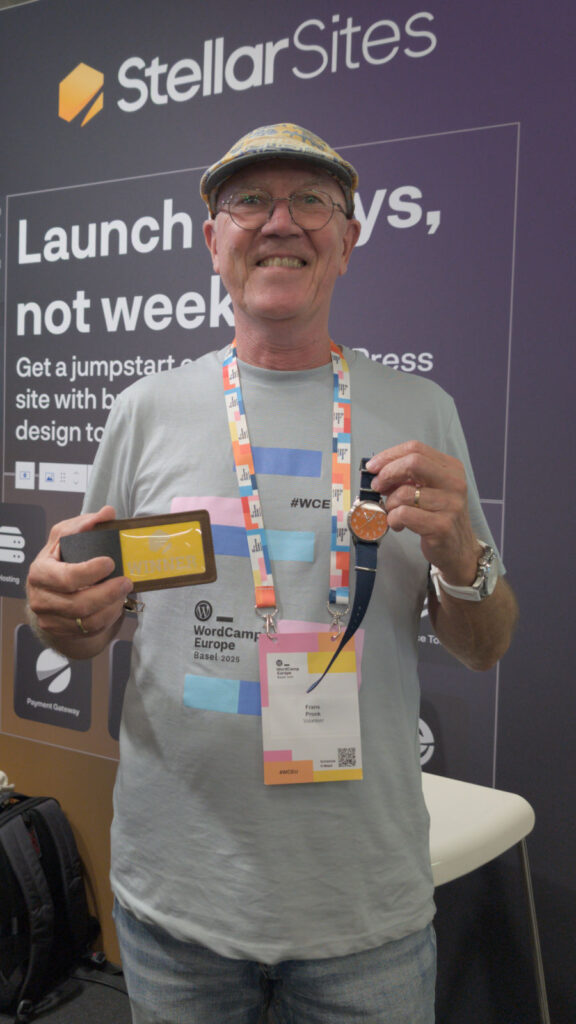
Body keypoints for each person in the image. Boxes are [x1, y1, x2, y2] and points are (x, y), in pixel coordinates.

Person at [26, 123, 518, 1024]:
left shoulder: (422, 412)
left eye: (312, 202)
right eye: (249, 201)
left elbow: (485, 646)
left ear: (349, 236)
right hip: (178, 906)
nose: (280, 222)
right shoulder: (145, 412)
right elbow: (84, 621)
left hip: (364, 916)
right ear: (211, 237)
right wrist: (58, 612)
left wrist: (461, 558)